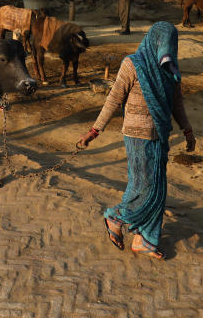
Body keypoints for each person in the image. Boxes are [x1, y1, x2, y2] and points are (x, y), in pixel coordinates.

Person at [77, 22, 195, 259]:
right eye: (163, 43)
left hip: (160, 135)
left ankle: (144, 239)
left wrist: (187, 129)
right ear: (153, 41)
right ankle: (115, 217)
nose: (166, 48)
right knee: (146, 189)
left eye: (170, 43)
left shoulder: (171, 69)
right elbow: (113, 100)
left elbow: (177, 103)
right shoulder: (132, 64)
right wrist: (94, 130)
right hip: (136, 136)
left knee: (156, 188)